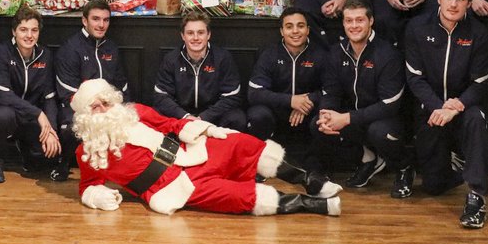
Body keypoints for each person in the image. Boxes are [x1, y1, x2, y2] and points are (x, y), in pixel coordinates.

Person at [73, 79, 341, 216]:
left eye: (105, 103)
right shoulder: (88, 152)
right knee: (239, 197)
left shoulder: (135, 112)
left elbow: (171, 124)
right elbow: (88, 186)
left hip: (189, 153)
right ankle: (311, 205)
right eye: (94, 107)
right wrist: (98, 197)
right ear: (84, 115)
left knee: (240, 142)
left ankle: (309, 180)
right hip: (172, 187)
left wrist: (209, 129)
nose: (102, 110)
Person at [404, 0, 488, 228]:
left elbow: (480, 83)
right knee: (433, 186)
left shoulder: (479, 33)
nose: (453, 4)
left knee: (477, 118)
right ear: (438, 0)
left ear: (468, 3)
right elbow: (415, 78)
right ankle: (453, 164)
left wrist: (456, 106)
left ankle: (476, 196)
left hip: (464, 107)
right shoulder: (417, 28)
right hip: (432, 107)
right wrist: (439, 107)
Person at [313, 0, 408, 194]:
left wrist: (346, 118)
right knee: (319, 124)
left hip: (386, 119)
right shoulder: (336, 52)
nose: (354, 26)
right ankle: (368, 159)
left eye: (359, 20)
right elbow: (330, 91)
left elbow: (390, 104)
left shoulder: (387, 53)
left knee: (378, 131)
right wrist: (326, 114)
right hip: (355, 117)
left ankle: (405, 168)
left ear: (371, 21)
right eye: (349, 20)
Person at [0, 5, 66, 180]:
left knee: (44, 159)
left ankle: (26, 150)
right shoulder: (0, 52)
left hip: (31, 118)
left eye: (34, 30)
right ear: (14, 31)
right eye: (23, 30)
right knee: (3, 114)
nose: (29, 35)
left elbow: (49, 96)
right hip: (8, 114)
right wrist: (38, 113)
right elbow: (3, 95)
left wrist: (51, 130)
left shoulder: (45, 55)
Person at [246, 7, 328, 162]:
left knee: (326, 115)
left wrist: (307, 101)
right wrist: (291, 101)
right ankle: (259, 162)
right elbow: (254, 92)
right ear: (282, 31)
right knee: (258, 115)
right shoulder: (269, 53)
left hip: (307, 113)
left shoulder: (321, 55)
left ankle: (317, 166)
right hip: (277, 112)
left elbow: (331, 90)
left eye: (300, 26)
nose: (295, 31)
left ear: (308, 30)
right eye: (289, 27)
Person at [54, 0, 130, 157]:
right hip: (79, 108)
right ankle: (65, 163)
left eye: (106, 20)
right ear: (84, 20)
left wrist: (115, 108)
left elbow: (121, 86)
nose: (101, 25)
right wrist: (96, 108)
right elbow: (68, 93)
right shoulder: (70, 49)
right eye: (96, 19)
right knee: (69, 127)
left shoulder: (112, 48)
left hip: (108, 106)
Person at [152, 10, 247, 130]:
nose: (195, 38)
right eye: (190, 33)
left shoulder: (223, 58)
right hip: (181, 115)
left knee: (237, 118)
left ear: (208, 35)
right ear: (183, 36)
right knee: (154, 114)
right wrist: (185, 116)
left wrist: (203, 117)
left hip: (213, 116)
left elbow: (232, 96)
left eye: (201, 32)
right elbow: (161, 96)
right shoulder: (171, 59)